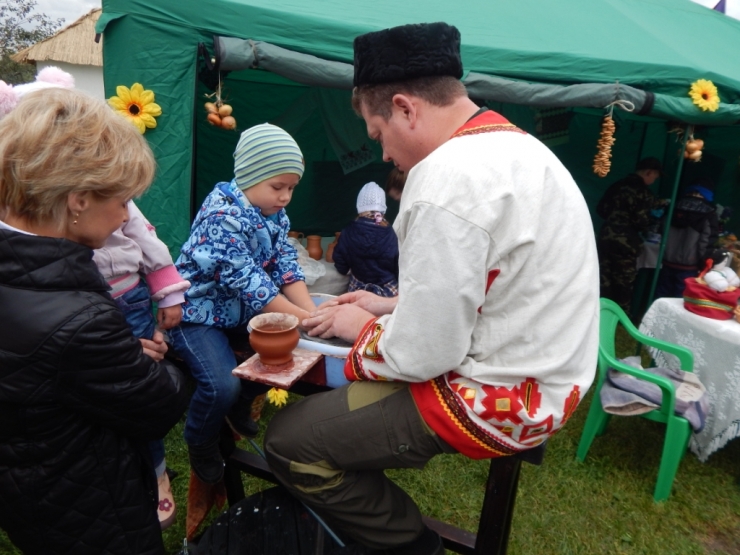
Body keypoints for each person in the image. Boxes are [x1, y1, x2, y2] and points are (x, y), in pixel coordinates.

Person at [264, 22, 599, 555]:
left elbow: (426, 353)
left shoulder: (445, 177)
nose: (384, 155)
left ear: (404, 108)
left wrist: (364, 327)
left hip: (496, 396)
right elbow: (498, 288)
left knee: (290, 440)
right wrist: (391, 305)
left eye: (378, 134)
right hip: (553, 378)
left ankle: (411, 545)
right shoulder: (522, 149)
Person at [0, 88, 188, 555]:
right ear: (79, 200)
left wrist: (108, 362)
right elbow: (158, 404)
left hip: (30, 494)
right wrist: (155, 365)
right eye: (123, 200)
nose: (126, 216)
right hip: (95, 511)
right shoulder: (82, 320)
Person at [170, 123, 315, 484]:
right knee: (220, 384)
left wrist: (312, 313)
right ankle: (200, 441)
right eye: (277, 187)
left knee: (280, 356)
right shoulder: (221, 217)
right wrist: (302, 319)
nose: (285, 197)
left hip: (237, 311)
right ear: (249, 176)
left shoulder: (273, 213)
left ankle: (240, 403)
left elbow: (285, 264)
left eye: (291, 188)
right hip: (196, 314)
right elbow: (250, 283)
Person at [93, 199, 190, 529]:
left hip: (127, 298)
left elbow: (144, 236)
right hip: (78, 300)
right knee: (101, 394)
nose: (123, 212)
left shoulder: (115, 193)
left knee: (139, 389)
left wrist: (169, 294)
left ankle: (157, 471)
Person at [596, 156, 663, 313]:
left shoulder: (617, 185)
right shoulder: (643, 192)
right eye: (655, 176)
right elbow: (641, 221)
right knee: (623, 284)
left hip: (605, 238)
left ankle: (599, 314)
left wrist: (615, 219)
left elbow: (600, 210)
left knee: (603, 279)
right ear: (649, 172)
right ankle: (619, 318)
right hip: (626, 243)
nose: (654, 180)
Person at [333, 181, 399, 297]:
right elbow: (397, 261)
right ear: (382, 209)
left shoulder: (349, 231)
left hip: (358, 286)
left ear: (360, 207)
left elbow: (340, 257)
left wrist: (343, 269)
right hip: (386, 288)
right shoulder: (389, 233)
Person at [655, 179, 719, 298]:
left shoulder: (673, 207)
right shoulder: (709, 213)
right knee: (680, 298)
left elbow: (660, 230)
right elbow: (705, 243)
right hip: (689, 265)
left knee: (661, 294)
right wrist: (702, 262)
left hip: (667, 261)